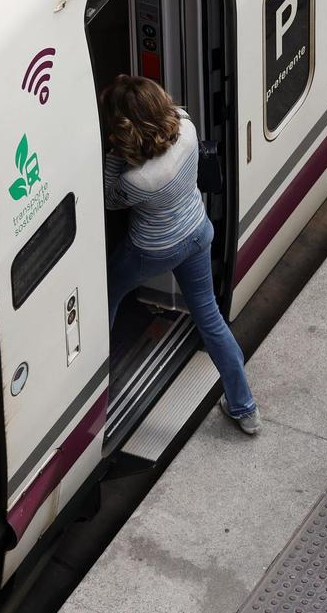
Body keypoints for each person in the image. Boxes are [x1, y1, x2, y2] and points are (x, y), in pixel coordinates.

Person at [101, 75, 260, 435]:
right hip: (197, 233)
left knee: (104, 299)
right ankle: (245, 408)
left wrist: (113, 154)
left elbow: (109, 199)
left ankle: (94, 399)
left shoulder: (136, 180)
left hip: (151, 250)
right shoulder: (186, 127)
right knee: (211, 320)